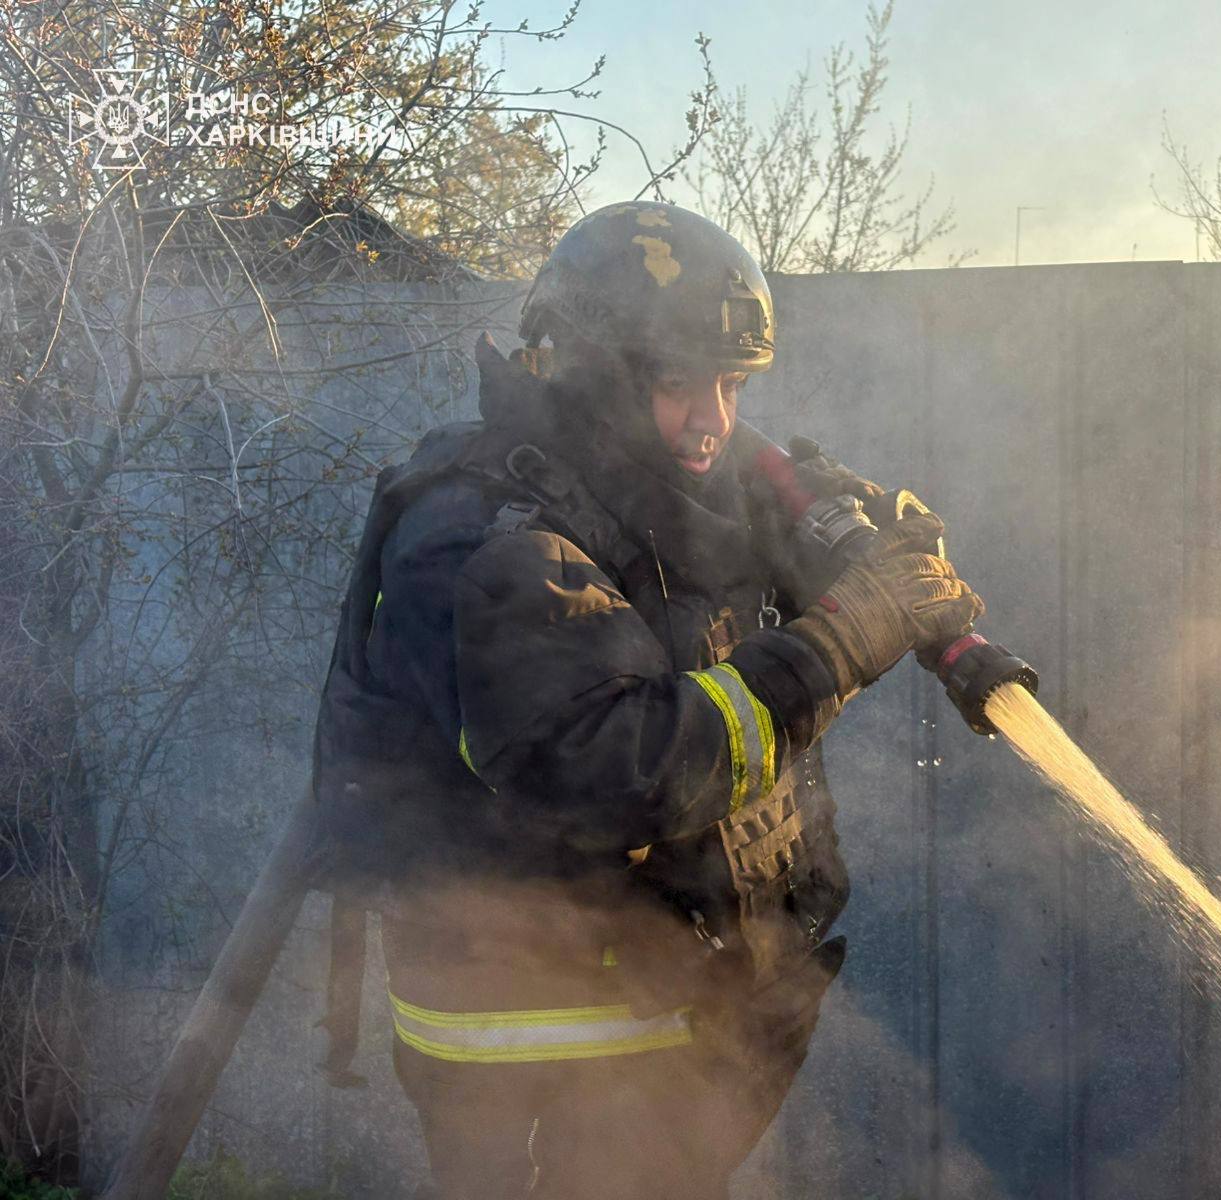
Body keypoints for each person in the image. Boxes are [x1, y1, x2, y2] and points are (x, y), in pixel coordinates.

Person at [310, 201, 984, 1198]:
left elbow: (689, 613)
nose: (715, 419)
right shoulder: (486, 534)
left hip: (654, 1001)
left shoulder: (633, 481)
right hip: (546, 1031)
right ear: (592, 373)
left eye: (733, 384)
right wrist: (846, 635)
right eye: (679, 384)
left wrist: (837, 550)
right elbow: (614, 770)